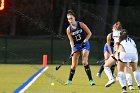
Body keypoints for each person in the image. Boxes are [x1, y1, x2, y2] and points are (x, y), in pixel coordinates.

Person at [65, 10, 95, 86]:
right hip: (76, 45)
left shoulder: (81, 24)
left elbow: (89, 33)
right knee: (74, 65)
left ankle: (91, 80)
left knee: (84, 61)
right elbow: (71, 41)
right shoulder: (68, 30)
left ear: (74, 18)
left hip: (85, 44)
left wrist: (85, 40)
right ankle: (69, 80)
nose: (70, 20)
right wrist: (72, 50)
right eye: (69, 19)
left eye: (71, 18)